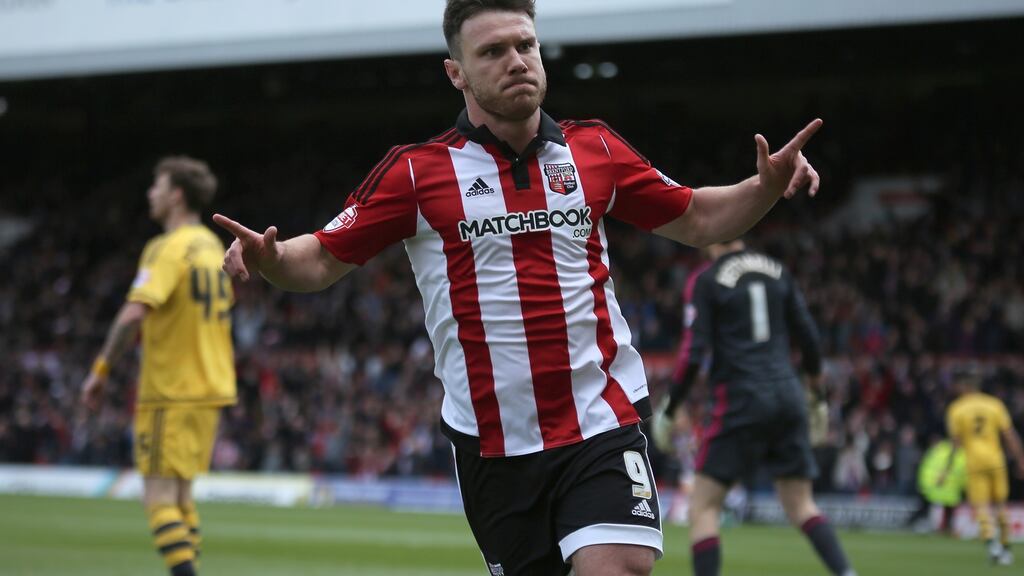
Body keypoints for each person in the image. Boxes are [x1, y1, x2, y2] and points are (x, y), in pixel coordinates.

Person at [214, 1, 822, 573]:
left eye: (526, 45)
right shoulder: (416, 173)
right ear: (456, 72)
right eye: (493, 51)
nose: (517, 61)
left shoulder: (595, 150)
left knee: (620, 564)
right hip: (492, 445)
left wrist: (762, 187)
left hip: (600, 420)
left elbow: (698, 218)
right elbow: (319, 259)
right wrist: (271, 257)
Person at [653, 239, 856, 576]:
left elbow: (693, 353)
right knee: (801, 504)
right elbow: (808, 337)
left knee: (702, 506)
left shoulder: (706, 279)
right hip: (787, 395)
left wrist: (670, 408)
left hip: (740, 397)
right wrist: (817, 397)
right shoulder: (777, 271)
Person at [81, 156, 236, 576]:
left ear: (176, 195)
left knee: (158, 498)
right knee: (182, 498)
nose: (151, 193)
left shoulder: (166, 248)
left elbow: (134, 314)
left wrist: (99, 372)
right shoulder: (211, 246)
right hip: (212, 387)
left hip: (172, 387)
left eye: (157, 186)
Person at [940, 366, 1024, 566]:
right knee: (1001, 505)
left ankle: (993, 546)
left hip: (975, 462)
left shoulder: (957, 408)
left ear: (964, 387)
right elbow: (1009, 435)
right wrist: (1020, 459)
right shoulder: (994, 404)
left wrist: (947, 468)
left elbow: (955, 443)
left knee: (981, 507)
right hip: (996, 460)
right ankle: (1005, 548)